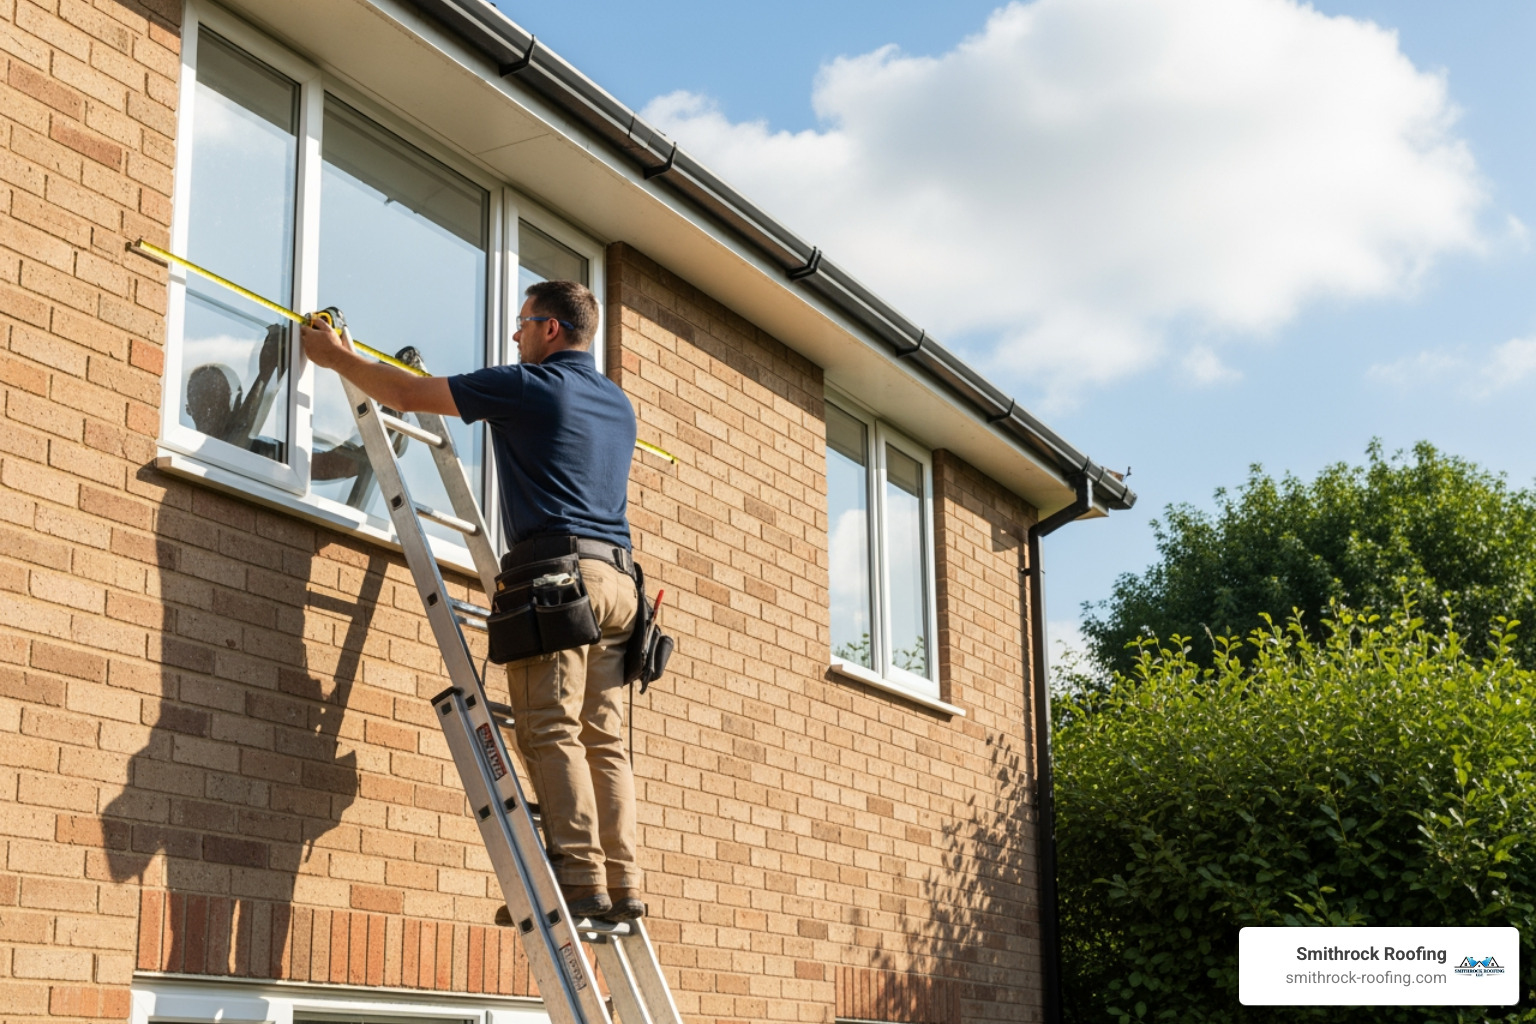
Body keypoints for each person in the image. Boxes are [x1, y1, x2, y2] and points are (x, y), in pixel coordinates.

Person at [299, 281, 643, 923]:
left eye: (522, 322)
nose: (514, 335)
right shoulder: (619, 404)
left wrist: (337, 356)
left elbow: (404, 395)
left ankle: (577, 878)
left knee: (549, 725)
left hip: (561, 581)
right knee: (605, 741)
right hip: (622, 588)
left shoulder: (528, 385)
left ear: (551, 330)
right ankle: (622, 884)